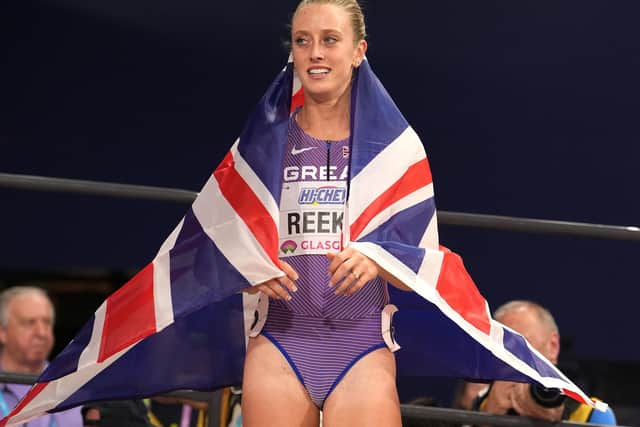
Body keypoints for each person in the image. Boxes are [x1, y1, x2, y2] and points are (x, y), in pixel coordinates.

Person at [240, 1, 410, 426]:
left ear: (358, 51)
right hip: (280, 342)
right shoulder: (261, 143)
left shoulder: (395, 150)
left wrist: (377, 259)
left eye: (330, 40)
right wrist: (249, 266)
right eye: (303, 41)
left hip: (361, 346)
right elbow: (221, 240)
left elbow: (421, 261)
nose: (315, 53)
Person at [471, 300, 616, 425]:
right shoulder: (485, 404)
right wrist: (488, 421)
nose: (512, 362)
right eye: (501, 350)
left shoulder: (588, 414)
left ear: (553, 346)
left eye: (521, 347)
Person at [0, 286, 82, 426]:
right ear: (2, 332)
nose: (42, 333)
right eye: (29, 323)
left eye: (47, 322)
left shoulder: (75, 390)